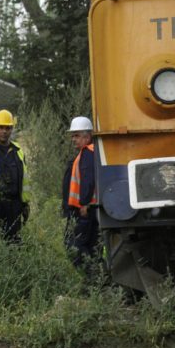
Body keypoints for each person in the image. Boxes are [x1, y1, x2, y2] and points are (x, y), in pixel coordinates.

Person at [62, 116, 99, 273]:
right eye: (73, 135)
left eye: (76, 135)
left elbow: (88, 180)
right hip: (88, 209)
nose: (73, 139)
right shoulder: (92, 152)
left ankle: (93, 279)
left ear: (87, 136)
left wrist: (84, 203)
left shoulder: (87, 153)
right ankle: (97, 280)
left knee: (74, 246)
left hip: (83, 211)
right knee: (90, 246)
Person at [0, 110, 31, 241]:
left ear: (12, 129)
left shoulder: (18, 150)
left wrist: (25, 204)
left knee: (14, 244)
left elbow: (24, 179)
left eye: (8, 128)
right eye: (0, 127)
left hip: (15, 205)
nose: (4, 131)